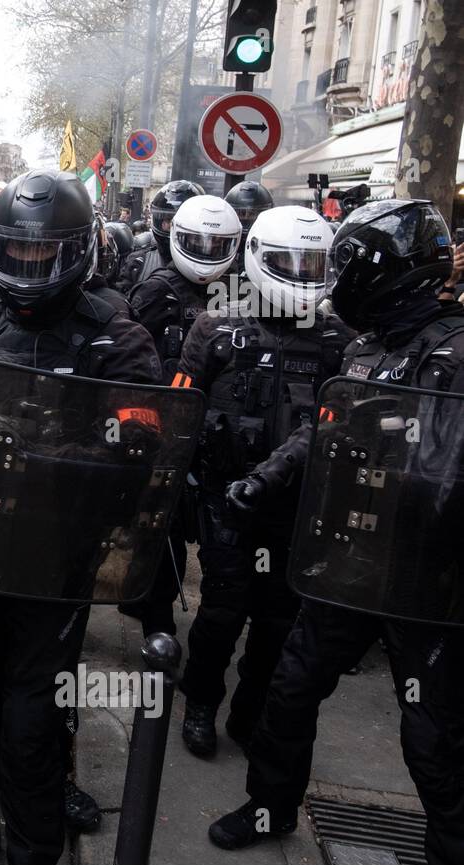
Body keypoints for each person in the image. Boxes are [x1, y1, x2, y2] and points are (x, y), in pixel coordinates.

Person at [208, 199, 464, 865]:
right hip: (354, 557)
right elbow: (323, 425)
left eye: (347, 264)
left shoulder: (459, 353)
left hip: (432, 585)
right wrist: (265, 479)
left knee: (434, 739)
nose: (337, 278)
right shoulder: (363, 348)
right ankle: (270, 805)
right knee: (289, 690)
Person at [0, 170, 162, 865]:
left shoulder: (116, 333)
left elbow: (142, 443)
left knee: (33, 715)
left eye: (44, 254)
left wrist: (48, 443)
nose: (30, 268)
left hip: (59, 553)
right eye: (18, 254)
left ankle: (34, 848)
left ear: (77, 252)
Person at [172, 206, 351, 757]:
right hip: (228, 497)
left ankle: (251, 712)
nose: (298, 274)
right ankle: (201, 702)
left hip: (296, 505)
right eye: (286, 262)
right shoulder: (217, 324)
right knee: (223, 609)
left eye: (310, 263)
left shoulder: (333, 338)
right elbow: (182, 398)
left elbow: (343, 417)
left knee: (278, 618)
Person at [121, 194, 242, 639]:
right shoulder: (155, 290)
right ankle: (158, 624)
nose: (208, 255)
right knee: (160, 528)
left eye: (218, 246)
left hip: (217, 431)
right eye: (199, 243)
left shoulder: (242, 291)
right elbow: (128, 352)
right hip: (164, 424)